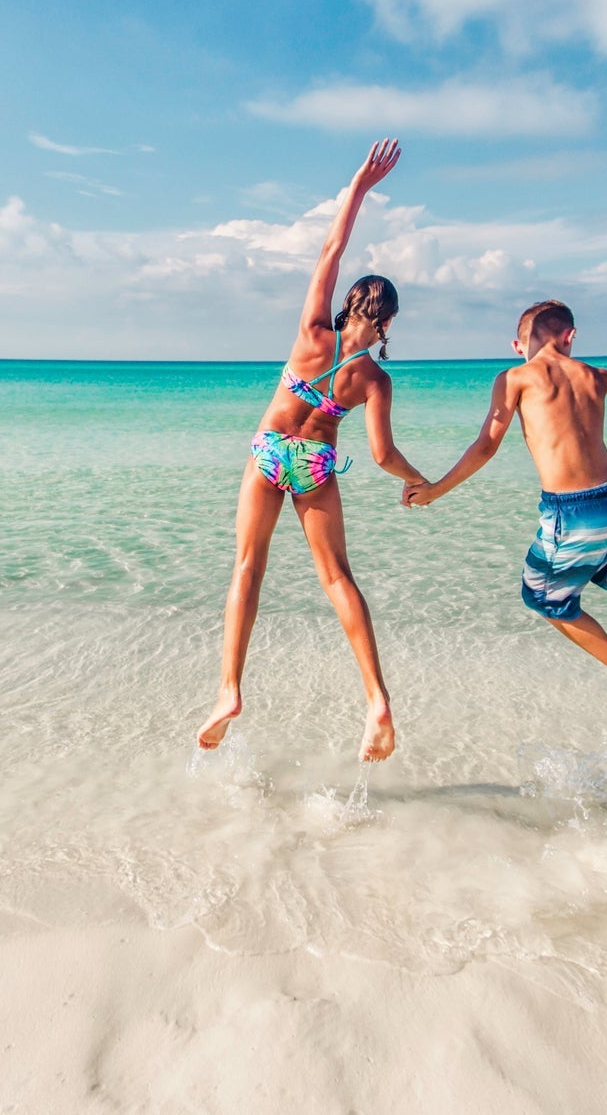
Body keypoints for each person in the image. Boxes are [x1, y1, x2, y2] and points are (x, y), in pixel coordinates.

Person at [195, 140, 429, 762]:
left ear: (349, 303)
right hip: (317, 464)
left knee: (248, 567)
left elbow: (331, 246)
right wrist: (421, 480)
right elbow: (382, 455)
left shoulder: (311, 333)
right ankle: (377, 699)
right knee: (336, 577)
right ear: (387, 322)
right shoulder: (375, 380)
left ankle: (228, 692)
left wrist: (359, 183)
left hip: (270, 451)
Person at [403, 300, 607, 723]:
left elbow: (485, 446)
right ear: (570, 337)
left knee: (542, 598)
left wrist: (436, 490)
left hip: (572, 513)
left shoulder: (514, 377)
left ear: (518, 345)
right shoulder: (596, 375)